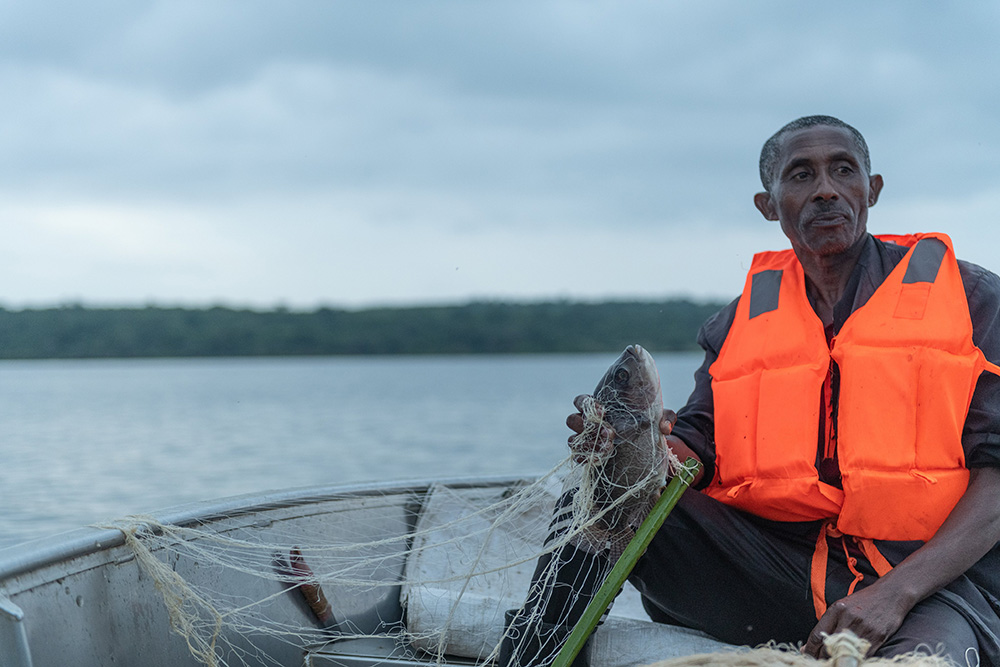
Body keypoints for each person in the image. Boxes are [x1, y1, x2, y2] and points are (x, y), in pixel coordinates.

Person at [502, 116, 1000, 666]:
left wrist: (895, 594)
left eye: (843, 170)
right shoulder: (737, 323)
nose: (826, 189)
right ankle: (530, 653)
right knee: (604, 493)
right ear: (768, 204)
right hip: (775, 572)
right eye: (801, 175)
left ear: (872, 189)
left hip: (930, 584)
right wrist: (631, 447)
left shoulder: (971, 299)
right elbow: (699, 447)